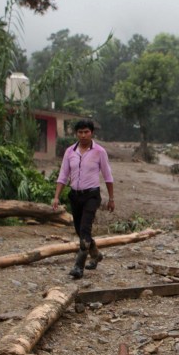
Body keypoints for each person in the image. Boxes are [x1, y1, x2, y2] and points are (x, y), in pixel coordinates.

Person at [52, 119, 114, 279]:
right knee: (80, 232)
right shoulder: (69, 152)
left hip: (91, 196)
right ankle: (96, 255)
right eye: (80, 132)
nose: (83, 135)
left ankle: (78, 267)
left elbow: (108, 176)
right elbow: (63, 175)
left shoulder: (99, 152)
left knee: (85, 229)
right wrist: (56, 197)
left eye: (86, 132)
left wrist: (111, 198)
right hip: (75, 195)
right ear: (76, 134)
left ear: (92, 133)